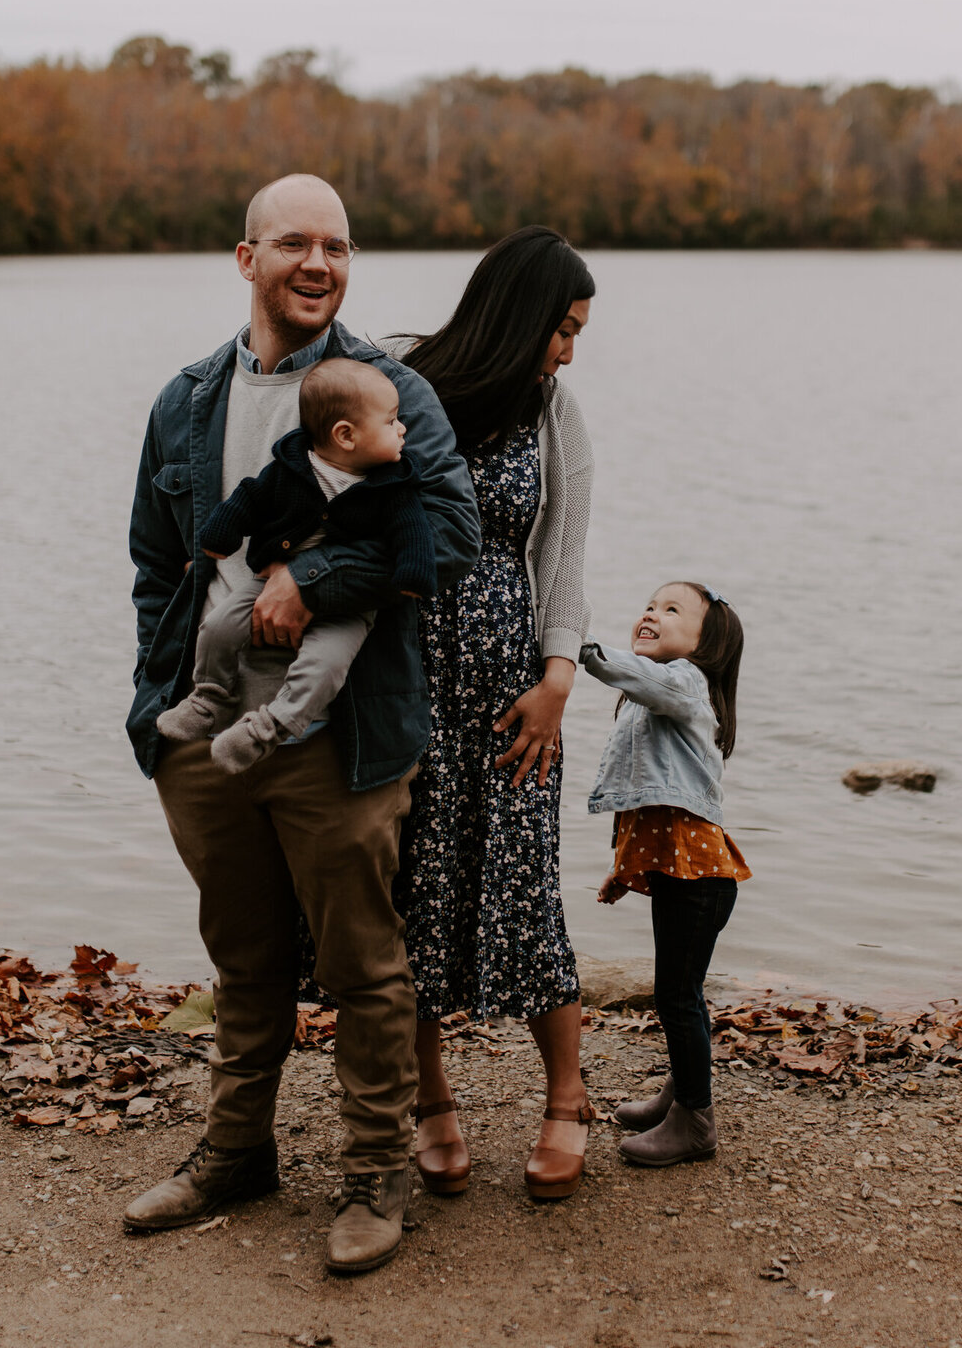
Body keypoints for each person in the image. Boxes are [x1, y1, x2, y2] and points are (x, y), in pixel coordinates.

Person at [121, 174, 478, 1276]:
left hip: (342, 732)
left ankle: (372, 1173)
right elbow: (155, 561)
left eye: (336, 245)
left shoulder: (391, 390)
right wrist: (158, 702)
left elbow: (452, 533)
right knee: (243, 955)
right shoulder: (186, 400)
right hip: (211, 732)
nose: (317, 263)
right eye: (293, 244)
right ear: (247, 259)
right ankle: (237, 1153)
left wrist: (313, 579)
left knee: (366, 963)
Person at [394, 226, 598, 1200]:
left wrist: (559, 678)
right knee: (412, 899)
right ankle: (429, 1098)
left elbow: (563, 560)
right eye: (561, 328)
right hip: (401, 691)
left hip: (515, 698)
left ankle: (566, 1094)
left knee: (525, 892)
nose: (568, 348)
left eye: (576, 333)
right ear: (517, 314)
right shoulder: (398, 377)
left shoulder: (556, 413)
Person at [154, 357, 438, 774]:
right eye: (392, 421)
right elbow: (249, 498)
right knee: (218, 626)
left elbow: (413, 531)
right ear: (346, 435)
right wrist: (220, 534)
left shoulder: (393, 484)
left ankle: (266, 729)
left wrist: (414, 573)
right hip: (269, 581)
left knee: (324, 667)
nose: (402, 430)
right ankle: (209, 698)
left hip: (348, 605)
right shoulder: (292, 467)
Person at [584, 581, 748, 1167]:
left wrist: (579, 646)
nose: (651, 612)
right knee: (685, 994)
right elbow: (650, 806)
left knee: (675, 996)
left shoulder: (683, 683)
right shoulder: (656, 697)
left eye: (672, 609)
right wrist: (623, 870)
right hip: (691, 876)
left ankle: (696, 1123)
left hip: (700, 880)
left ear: (705, 645)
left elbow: (640, 678)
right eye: (650, 604)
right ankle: (681, 1096)